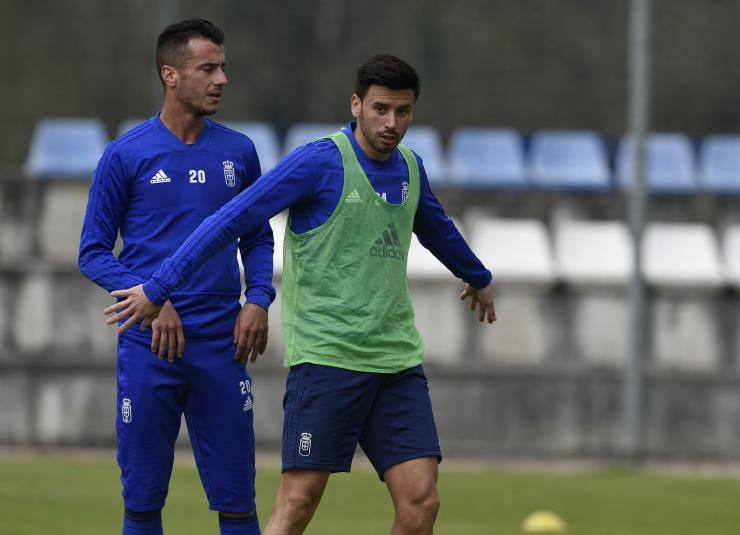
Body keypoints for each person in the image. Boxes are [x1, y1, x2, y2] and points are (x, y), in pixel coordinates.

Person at [104, 54, 496, 535]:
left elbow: (435, 227)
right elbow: (231, 219)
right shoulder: (319, 162)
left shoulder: (410, 168)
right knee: (297, 505)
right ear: (356, 105)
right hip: (329, 360)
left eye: (403, 111)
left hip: (396, 362)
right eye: (380, 109)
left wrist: (477, 276)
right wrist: (160, 287)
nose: (392, 123)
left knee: (421, 504)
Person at [78, 19, 272, 535]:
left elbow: (257, 238)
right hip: (148, 345)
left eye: (223, 67)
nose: (222, 79)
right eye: (207, 68)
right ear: (170, 74)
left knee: (237, 499)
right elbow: (93, 252)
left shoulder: (239, 152)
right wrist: (153, 299)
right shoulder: (127, 154)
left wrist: (258, 298)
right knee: (142, 499)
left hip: (222, 345)